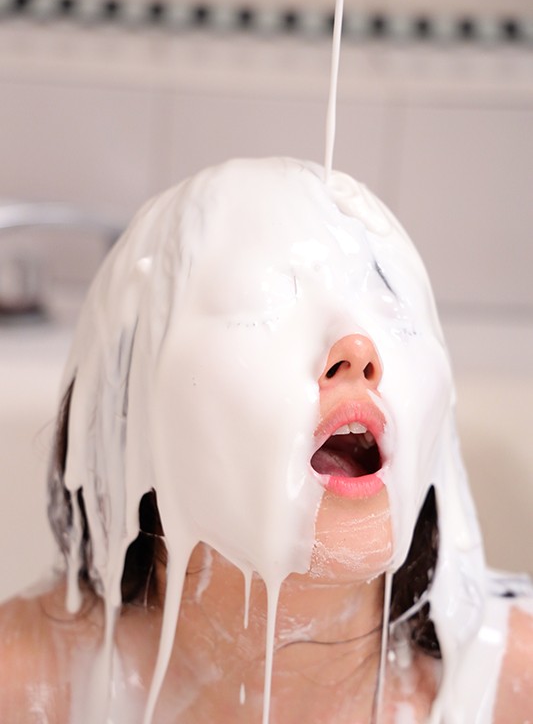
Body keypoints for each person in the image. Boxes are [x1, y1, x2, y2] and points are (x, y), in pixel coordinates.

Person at [0, 157, 531, 723]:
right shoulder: (27, 688)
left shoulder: (512, 688)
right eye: (263, 304)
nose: (358, 348)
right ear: (133, 400)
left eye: (387, 301)